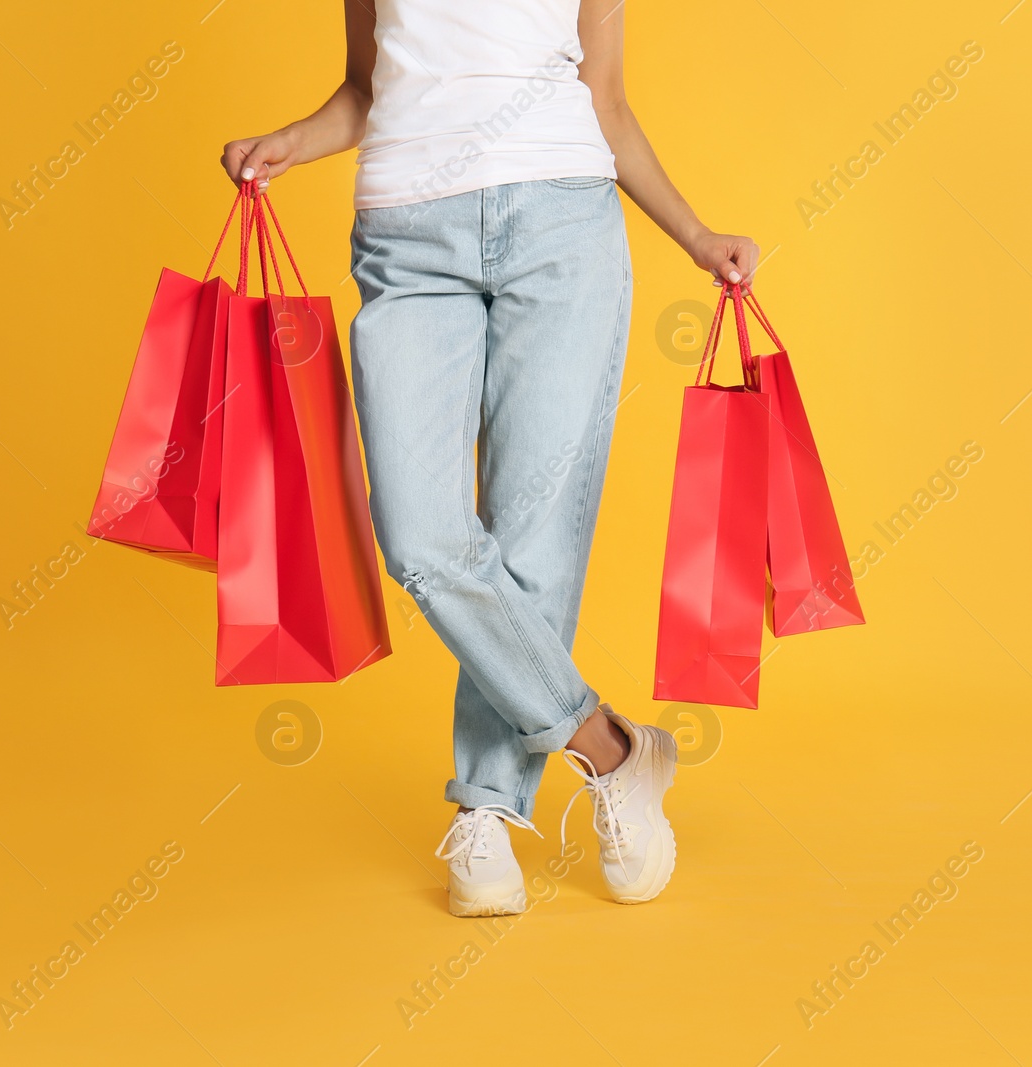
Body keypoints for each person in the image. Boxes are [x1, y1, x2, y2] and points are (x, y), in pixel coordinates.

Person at [222, 0, 758, 916]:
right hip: (406, 241)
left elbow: (609, 105)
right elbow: (367, 87)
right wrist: (292, 140)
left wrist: (699, 236)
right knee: (423, 537)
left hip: (562, 231)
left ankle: (487, 807)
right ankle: (613, 750)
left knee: (531, 536)